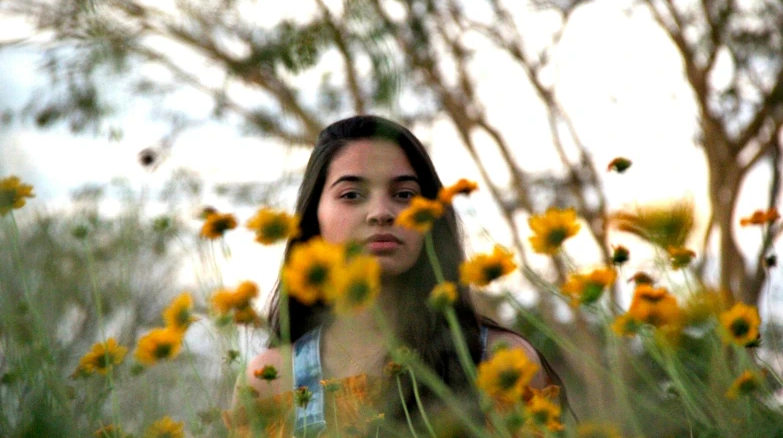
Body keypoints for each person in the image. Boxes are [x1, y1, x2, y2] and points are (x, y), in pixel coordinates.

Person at [226, 115, 567, 437]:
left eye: (404, 195)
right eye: (351, 195)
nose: (381, 213)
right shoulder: (269, 383)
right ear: (314, 218)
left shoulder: (500, 363)